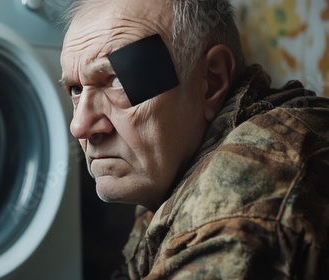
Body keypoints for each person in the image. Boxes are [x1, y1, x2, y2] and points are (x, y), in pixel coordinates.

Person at [59, 0, 329, 279]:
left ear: (211, 81)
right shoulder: (169, 166)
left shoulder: (237, 200)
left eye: (118, 81)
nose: (79, 126)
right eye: (76, 89)